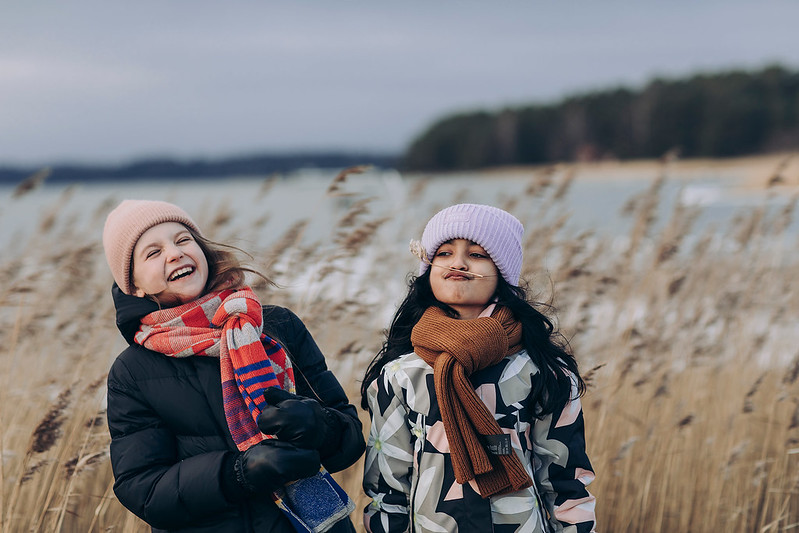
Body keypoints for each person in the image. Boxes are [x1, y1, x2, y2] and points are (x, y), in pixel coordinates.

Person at [102, 199, 365, 532]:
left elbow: (349, 441)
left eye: (183, 239)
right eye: (153, 253)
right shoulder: (132, 373)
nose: (175, 253)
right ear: (134, 285)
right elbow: (144, 490)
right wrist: (238, 473)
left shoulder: (277, 326)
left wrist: (319, 425)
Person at [360, 203, 596, 533]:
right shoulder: (401, 375)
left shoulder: (541, 372)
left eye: (477, 254)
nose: (458, 263)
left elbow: (566, 485)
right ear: (427, 269)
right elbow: (386, 489)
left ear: (502, 272)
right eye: (443, 253)